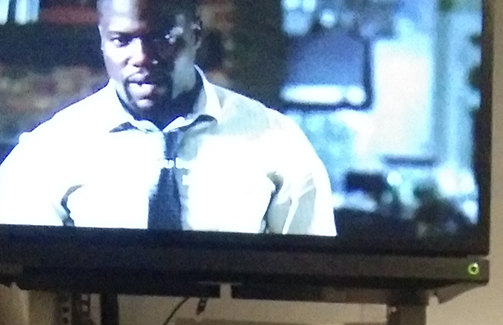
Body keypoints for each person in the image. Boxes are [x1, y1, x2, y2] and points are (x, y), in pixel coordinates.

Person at [0, 0, 336, 234]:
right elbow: (17, 283)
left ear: (196, 35)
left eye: (163, 38)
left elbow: (311, 278)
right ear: (102, 41)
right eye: (121, 40)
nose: (142, 57)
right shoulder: (48, 152)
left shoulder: (278, 141)